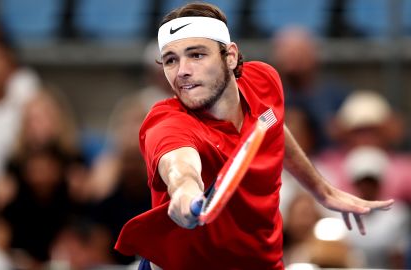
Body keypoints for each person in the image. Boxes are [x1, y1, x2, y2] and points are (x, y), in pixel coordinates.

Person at [114, 2, 394, 270]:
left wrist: (323, 190)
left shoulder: (263, 82)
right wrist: (184, 195)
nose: (183, 71)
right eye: (170, 60)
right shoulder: (167, 123)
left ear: (231, 56)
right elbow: (180, 168)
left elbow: (272, 125)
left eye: (196, 54)